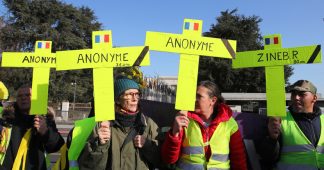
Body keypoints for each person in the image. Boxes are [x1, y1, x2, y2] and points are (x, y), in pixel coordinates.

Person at [161, 80, 247, 170]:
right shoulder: (183, 119)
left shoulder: (230, 124)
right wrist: (175, 133)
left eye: (199, 96)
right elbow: (168, 159)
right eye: (194, 96)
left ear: (213, 100)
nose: (194, 99)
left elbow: (239, 160)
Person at [78, 77, 161, 170]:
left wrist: (147, 145)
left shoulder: (148, 124)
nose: (134, 98)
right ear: (117, 99)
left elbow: (163, 162)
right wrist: (100, 146)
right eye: (129, 94)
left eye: (137, 94)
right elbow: (87, 166)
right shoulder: (103, 126)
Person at [259, 80, 323, 169]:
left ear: (314, 98)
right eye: (293, 94)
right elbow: (268, 158)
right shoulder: (279, 121)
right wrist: (271, 139)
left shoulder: (323, 120)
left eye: (302, 94)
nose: (296, 97)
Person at [0, 85, 65, 170]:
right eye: (20, 96)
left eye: (28, 95)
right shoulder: (6, 120)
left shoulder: (45, 120)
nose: (23, 98)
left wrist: (45, 132)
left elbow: (57, 146)